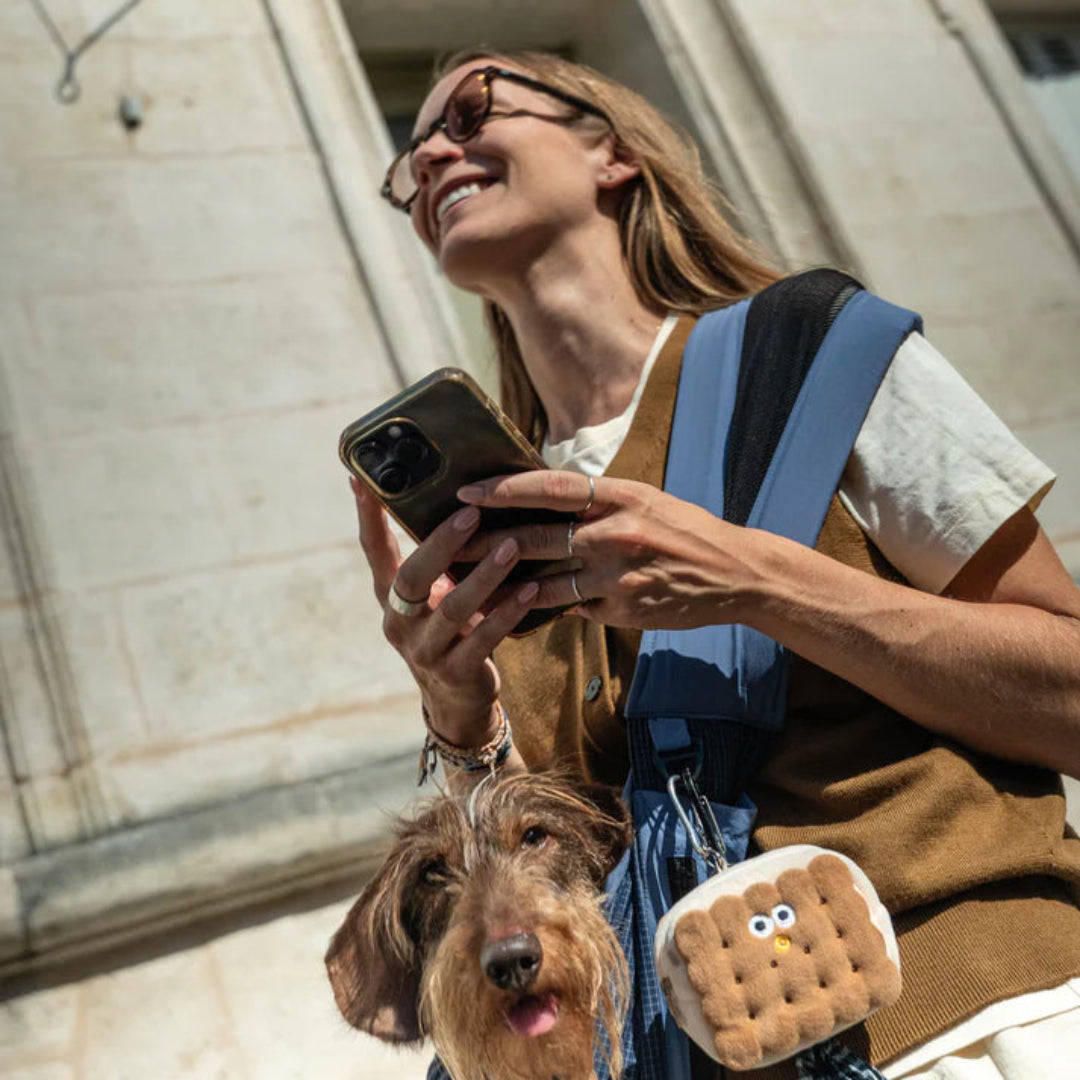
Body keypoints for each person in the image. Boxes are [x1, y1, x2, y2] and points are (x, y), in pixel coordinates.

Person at [351, 48, 1080, 1080]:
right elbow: (558, 889)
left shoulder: (819, 357)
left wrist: (755, 579)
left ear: (611, 153)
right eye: (409, 153)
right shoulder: (495, 524)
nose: (429, 153)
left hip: (979, 1022)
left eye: (470, 110)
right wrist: (455, 710)